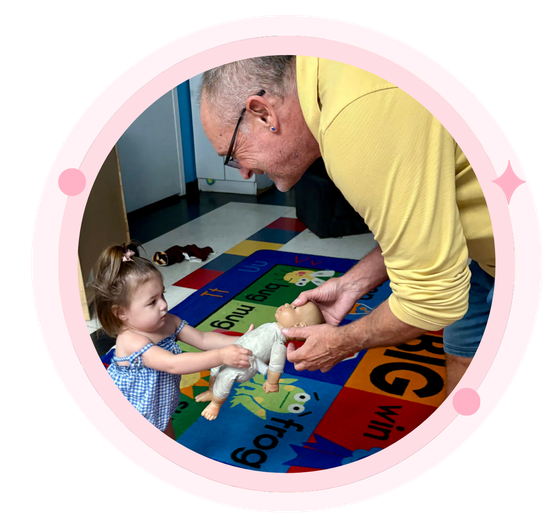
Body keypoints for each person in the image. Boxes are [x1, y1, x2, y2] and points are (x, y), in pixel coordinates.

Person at [198, 56, 495, 395]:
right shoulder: (336, 73)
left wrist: (344, 341)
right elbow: (422, 221)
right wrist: (353, 284)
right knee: (465, 350)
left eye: (233, 154)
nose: (244, 173)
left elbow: (431, 300)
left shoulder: (356, 119)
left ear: (263, 113)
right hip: (480, 243)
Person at [92, 242, 253, 439]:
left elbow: (203, 339)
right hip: (131, 416)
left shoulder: (168, 322)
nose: (163, 305)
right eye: (152, 302)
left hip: (158, 407)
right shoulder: (131, 341)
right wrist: (221, 356)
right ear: (121, 312)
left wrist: (244, 340)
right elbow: (173, 364)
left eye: (162, 295)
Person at [195, 302, 325, 421]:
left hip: (244, 364)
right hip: (233, 352)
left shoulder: (279, 344)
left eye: (294, 308)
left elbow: (276, 365)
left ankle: (215, 404)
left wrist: (272, 382)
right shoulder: (270, 326)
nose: (287, 304)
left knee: (225, 375)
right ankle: (212, 391)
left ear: (298, 326)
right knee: (215, 366)